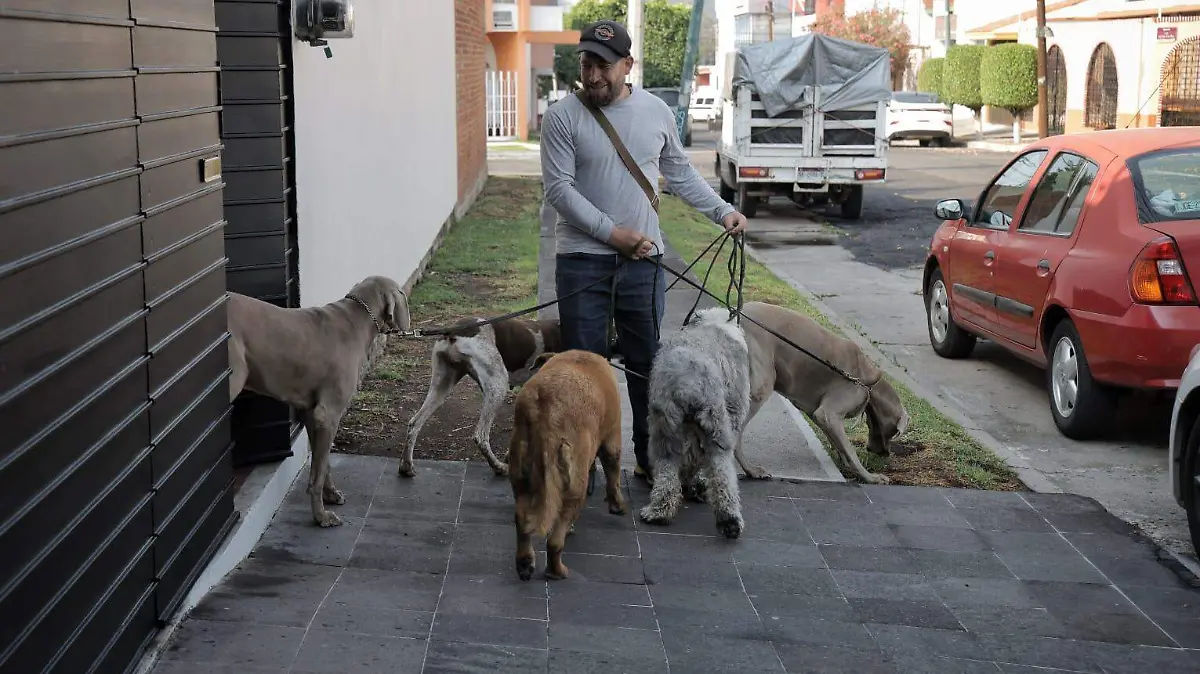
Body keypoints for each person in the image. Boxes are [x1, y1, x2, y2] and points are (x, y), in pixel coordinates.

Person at [540, 19, 748, 484]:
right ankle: (583, 466)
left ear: (628, 65)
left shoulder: (655, 111)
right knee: (585, 370)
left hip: (643, 264)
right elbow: (559, 190)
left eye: (604, 66)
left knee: (646, 368)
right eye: (587, 64)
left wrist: (722, 211)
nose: (593, 75)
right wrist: (614, 235)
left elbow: (681, 173)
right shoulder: (562, 116)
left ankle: (651, 462)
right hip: (581, 262)